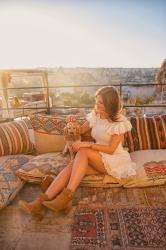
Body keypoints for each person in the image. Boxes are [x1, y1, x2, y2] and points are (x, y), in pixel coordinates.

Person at [19, 86, 136, 220]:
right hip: (97, 157)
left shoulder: (119, 122)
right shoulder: (95, 116)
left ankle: (64, 198)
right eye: (96, 100)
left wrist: (87, 144)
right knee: (72, 166)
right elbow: (79, 130)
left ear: (110, 104)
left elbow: (111, 149)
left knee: (83, 151)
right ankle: (38, 204)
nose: (96, 104)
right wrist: (72, 124)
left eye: (101, 102)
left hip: (114, 160)